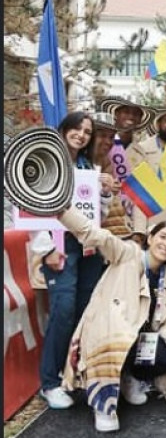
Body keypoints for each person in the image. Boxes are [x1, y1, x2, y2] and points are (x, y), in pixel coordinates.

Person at [55, 204, 166, 432]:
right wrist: (61, 210)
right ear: (150, 238)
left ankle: (129, 375)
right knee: (118, 337)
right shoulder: (126, 253)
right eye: (163, 237)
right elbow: (95, 235)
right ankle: (103, 405)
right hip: (110, 332)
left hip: (139, 340)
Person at [30, 111, 115, 409]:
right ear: (64, 129)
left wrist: (103, 192)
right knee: (63, 309)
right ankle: (49, 382)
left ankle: (71, 373)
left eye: (87, 131)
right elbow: (31, 208)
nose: (82, 135)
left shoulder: (88, 167)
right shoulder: (44, 163)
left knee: (84, 310)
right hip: (59, 247)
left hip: (88, 247)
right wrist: (46, 249)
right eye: (77, 129)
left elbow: (98, 216)